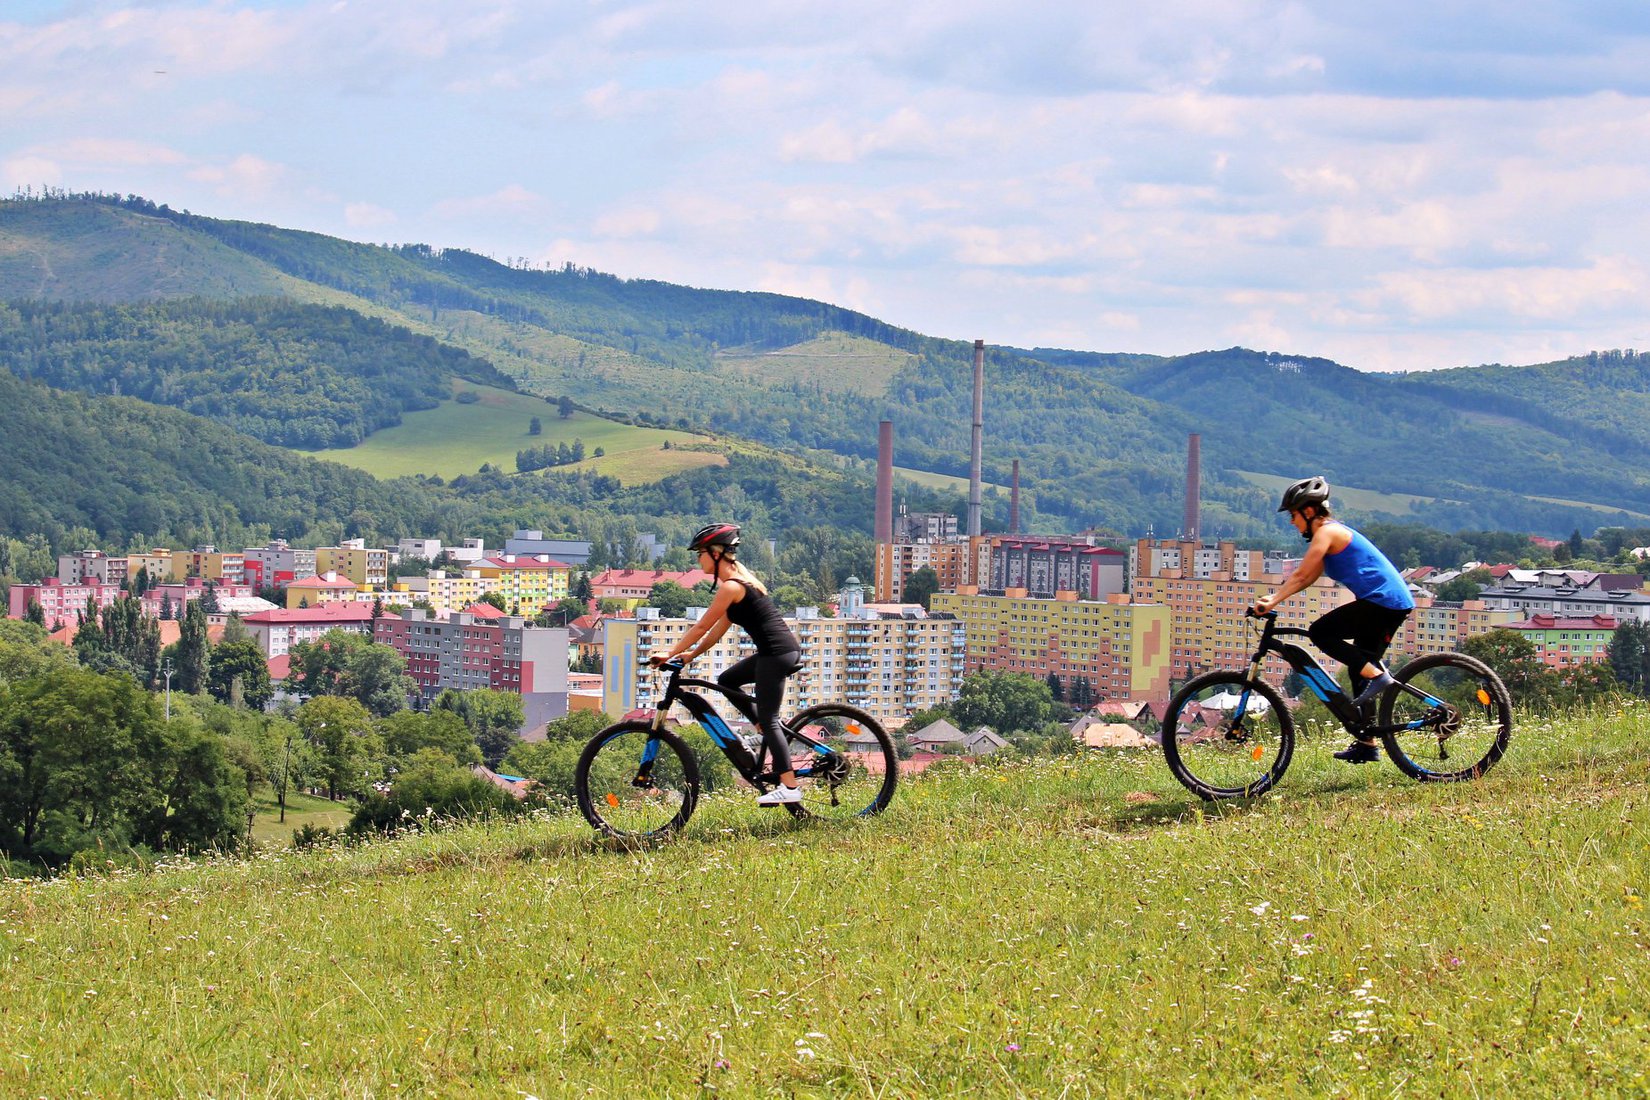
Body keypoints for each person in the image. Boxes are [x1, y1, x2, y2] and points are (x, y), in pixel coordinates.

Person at [1251, 477, 1415, 764]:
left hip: (1383, 602)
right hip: (1388, 603)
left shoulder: (1327, 532)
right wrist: (1277, 598)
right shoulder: (1328, 536)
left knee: (1322, 632)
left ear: (1309, 511)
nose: (1292, 522)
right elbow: (1310, 576)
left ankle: (1379, 677)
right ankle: (1367, 742)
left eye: (1293, 515)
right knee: (1359, 666)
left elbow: (1301, 575)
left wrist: (1272, 601)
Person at [649, 523, 805, 805]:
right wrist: (690, 656)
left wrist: (669, 654)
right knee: (727, 681)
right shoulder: (738, 585)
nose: (699, 560)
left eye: (700, 553)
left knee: (771, 721)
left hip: (776, 655)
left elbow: (700, 627)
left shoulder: (731, 588)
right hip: (777, 652)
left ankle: (790, 787)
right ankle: (762, 729)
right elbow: (716, 631)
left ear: (716, 553)